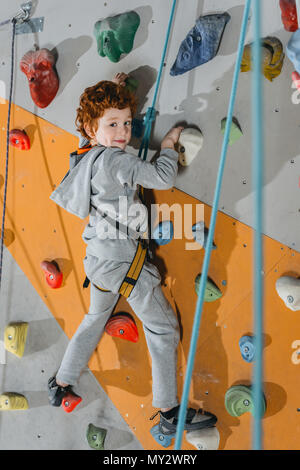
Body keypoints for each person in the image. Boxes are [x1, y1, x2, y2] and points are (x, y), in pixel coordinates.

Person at [47, 72, 216, 434]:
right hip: (125, 263)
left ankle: (61, 382)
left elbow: (89, 131)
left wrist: (115, 91)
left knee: (93, 320)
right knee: (162, 328)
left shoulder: (86, 156)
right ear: (94, 129)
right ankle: (169, 411)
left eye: (126, 122)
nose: (123, 132)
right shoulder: (117, 161)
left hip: (99, 260)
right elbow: (161, 178)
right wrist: (169, 145)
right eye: (113, 124)